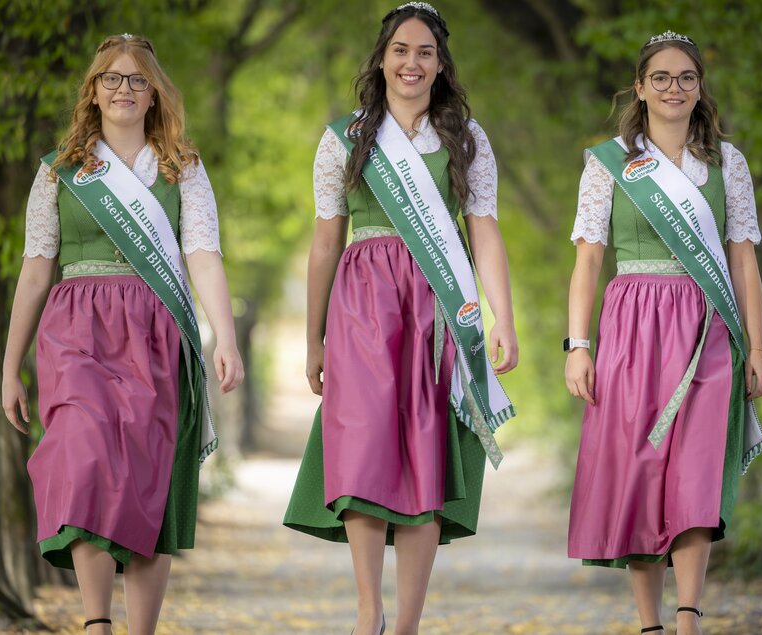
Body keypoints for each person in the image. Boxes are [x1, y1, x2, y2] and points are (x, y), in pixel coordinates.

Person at [282, 3, 518, 634]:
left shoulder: (465, 137)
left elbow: (485, 234)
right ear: (382, 59)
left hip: (439, 304)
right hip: (362, 302)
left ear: (440, 66)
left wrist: (503, 317)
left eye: (425, 53)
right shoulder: (346, 138)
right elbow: (325, 242)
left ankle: (408, 622)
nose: (412, 63)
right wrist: (313, 338)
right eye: (401, 50)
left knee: (426, 451)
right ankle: (369, 611)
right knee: (361, 445)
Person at [0, 33, 243, 635]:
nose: (125, 89)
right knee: (80, 454)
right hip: (77, 326)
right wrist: (9, 367)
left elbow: (204, 256)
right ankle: (96, 621)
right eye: (112, 78)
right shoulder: (60, 172)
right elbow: (35, 272)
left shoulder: (182, 169)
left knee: (146, 476)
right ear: (94, 91)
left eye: (138, 80)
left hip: (157, 329)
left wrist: (226, 338)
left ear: (155, 94)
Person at [565, 31, 762, 635]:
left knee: (698, 469)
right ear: (641, 87)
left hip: (708, 324)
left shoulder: (727, 163)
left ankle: (688, 618)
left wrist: (757, 347)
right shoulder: (609, 164)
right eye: (661, 77)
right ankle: (648, 622)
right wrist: (579, 345)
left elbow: (742, 261)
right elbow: (587, 261)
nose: (674, 88)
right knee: (642, 467)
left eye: (686, 77)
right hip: (632, 323)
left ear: (700, 87)